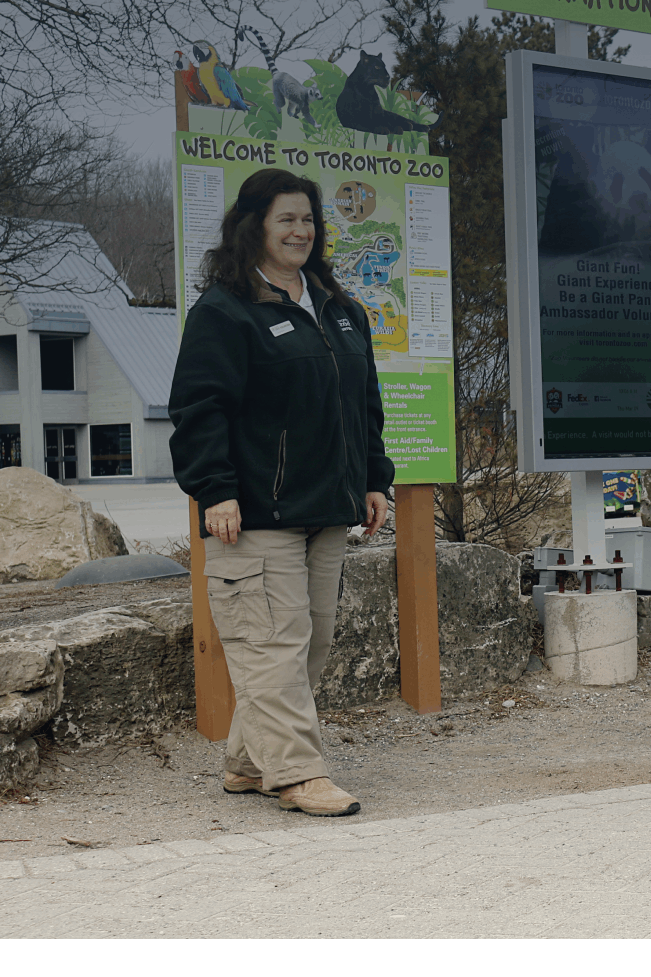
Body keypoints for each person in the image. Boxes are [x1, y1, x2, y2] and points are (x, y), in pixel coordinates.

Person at [169, 168, 394, 815]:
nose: (301, 230)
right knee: (271, 641)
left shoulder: (338, 308)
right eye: (285, 219)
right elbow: (199, 407)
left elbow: (363, 406)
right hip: (255, 511)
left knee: (311, 641)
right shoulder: (226, 309)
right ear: (255, 227)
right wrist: (215, 489)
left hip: (326, 507)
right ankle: (297, 774)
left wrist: (374, 477)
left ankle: (247, 761)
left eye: (308, 219)